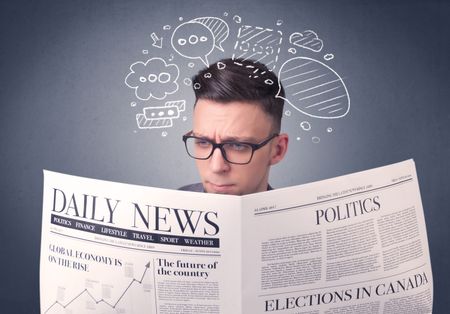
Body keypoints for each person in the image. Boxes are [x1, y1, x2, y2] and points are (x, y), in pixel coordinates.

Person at [180, 58, 289, 195]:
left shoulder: (301, 216)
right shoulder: (173, 202)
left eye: (238, 145)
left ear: (278, 150)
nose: (216, 167)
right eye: (203, 142)